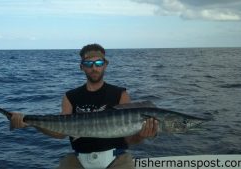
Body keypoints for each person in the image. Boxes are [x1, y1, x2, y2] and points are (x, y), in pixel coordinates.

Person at [10, 44, 158, 169]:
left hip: (117, 159)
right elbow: (61, 133)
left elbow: (129, 140)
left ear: (105, 65)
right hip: (78, 160)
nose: (94, 68)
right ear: (82, 67)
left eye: (99, 63)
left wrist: (140, 135)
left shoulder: (121, 94)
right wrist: (31, 123)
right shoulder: (70, 96)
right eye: (88, 64)